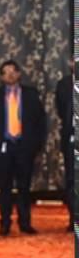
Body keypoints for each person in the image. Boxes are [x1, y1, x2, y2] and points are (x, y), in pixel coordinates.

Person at [0, 60, 46, 236]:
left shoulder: (31, 94)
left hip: (25, 147)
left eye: (13, 71)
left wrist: (37, 145)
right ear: (1, 77)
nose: (9, 74)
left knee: (24, 187)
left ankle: (25, 222)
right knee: (4, 188)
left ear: (19, 74)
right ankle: (5, 223)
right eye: (5, 72)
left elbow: (41, 121)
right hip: (3, 148)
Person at [55, 65, 74, 232]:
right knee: (72, 180)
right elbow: (61, 110)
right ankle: (74, 218)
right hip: (72, 139)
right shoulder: (64, 84)